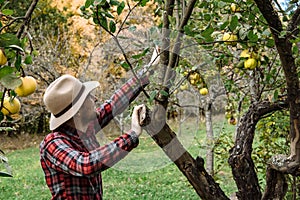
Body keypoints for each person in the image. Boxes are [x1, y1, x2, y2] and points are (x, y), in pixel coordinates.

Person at [40, 48, 159, 200]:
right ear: (78, 112)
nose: (95, 99)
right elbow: (85, 165)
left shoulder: (84, 128)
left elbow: (114, 103)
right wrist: (132, 134)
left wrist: (149, 68)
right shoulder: (53, 143)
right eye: (89, 97)